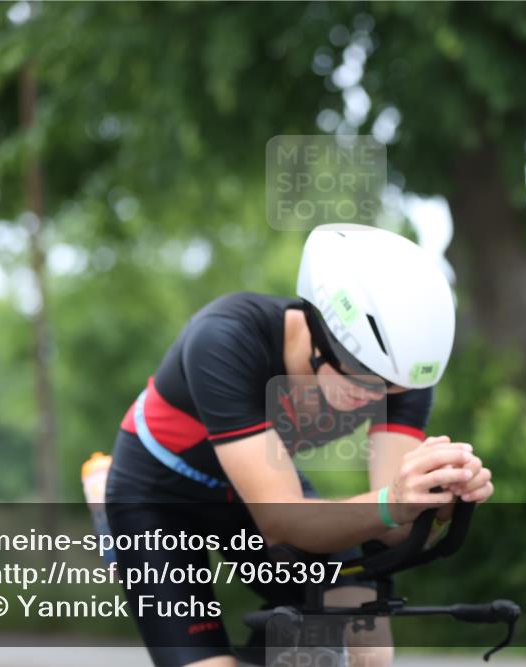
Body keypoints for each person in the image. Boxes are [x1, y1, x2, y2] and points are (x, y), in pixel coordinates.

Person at [105, 223, 494, 667]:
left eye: (390, 386)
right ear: (319, 324)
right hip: (159, 494)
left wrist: (439, 501)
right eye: (360, 370)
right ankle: (105, 502)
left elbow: (393, 525)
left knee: (367, 651)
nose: (374, 394)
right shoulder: (225, 338)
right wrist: (392, 501)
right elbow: (282, 523)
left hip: (260, 483)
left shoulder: (401, 380)